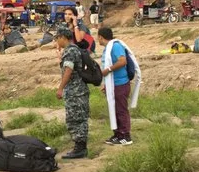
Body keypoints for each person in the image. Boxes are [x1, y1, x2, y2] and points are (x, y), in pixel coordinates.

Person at [54, 29, 98, 159]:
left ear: (63, 37)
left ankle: (80, 148)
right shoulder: (73, 49)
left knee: (76, 119)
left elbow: (68, 70)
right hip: (77, 90)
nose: (57, 41)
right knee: (77, 118)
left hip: (75, 91)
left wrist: (60, 88)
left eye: (57, 38)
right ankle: (79, 147)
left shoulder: (70, 51)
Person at [98, 27, 139, 147]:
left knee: (121, 110)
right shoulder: (108, 48)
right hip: (112, 84)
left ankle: (126, 135)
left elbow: (122, 61)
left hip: (120, 84)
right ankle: (117, 134)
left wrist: (108, 70)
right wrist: (106, 85)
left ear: (100, 37)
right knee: (114, 110)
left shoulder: (115, 46)